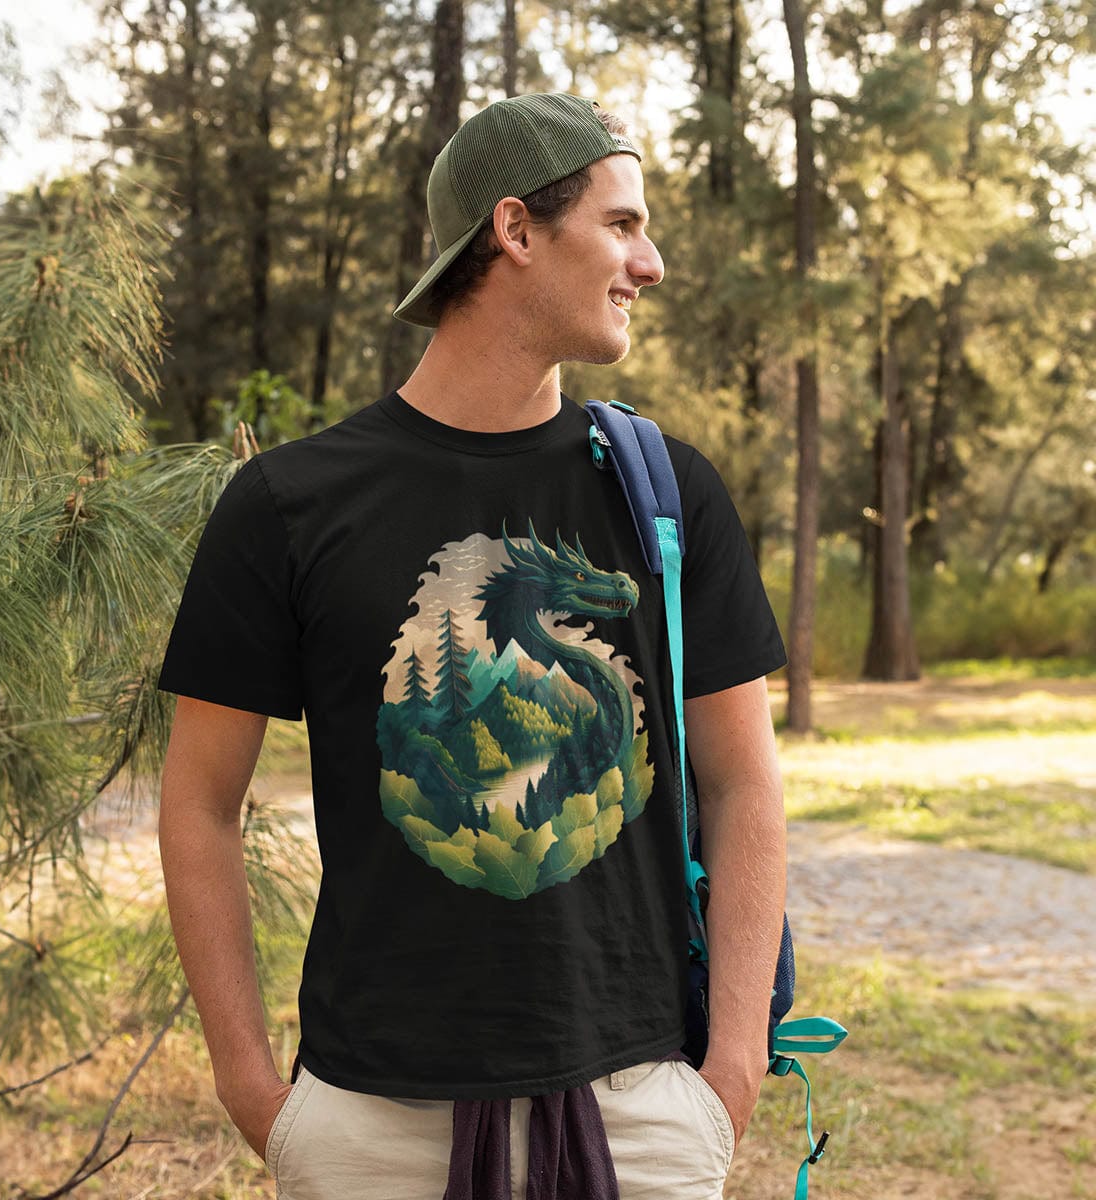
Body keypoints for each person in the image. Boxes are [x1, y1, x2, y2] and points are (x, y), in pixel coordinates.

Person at [156, 92, 788, 1200]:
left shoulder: (665, 494)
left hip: (637, 1106)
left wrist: (726, 1075)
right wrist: (255, 1090)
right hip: (371, 1120)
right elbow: (200, 802)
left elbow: (744, 784)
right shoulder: (289, 504)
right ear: (516, 231)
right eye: (624, 224)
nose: (652, 262)